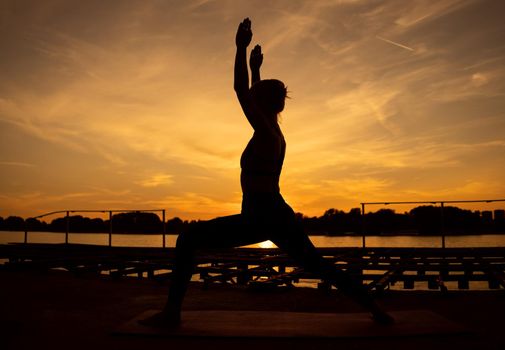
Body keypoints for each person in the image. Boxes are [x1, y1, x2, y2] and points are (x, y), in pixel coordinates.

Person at [141, 18, 394, 327]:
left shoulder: (265, 132)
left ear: (261, 103)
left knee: (188, 239)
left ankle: (171, 314)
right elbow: (253, 93)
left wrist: (239, 47)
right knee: (317, 265)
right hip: (274, 214)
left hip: (262, 214)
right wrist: (256, 67)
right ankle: (375, 309)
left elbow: (240, 89)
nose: (252, 97)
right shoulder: (273, 129)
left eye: (256, 95)